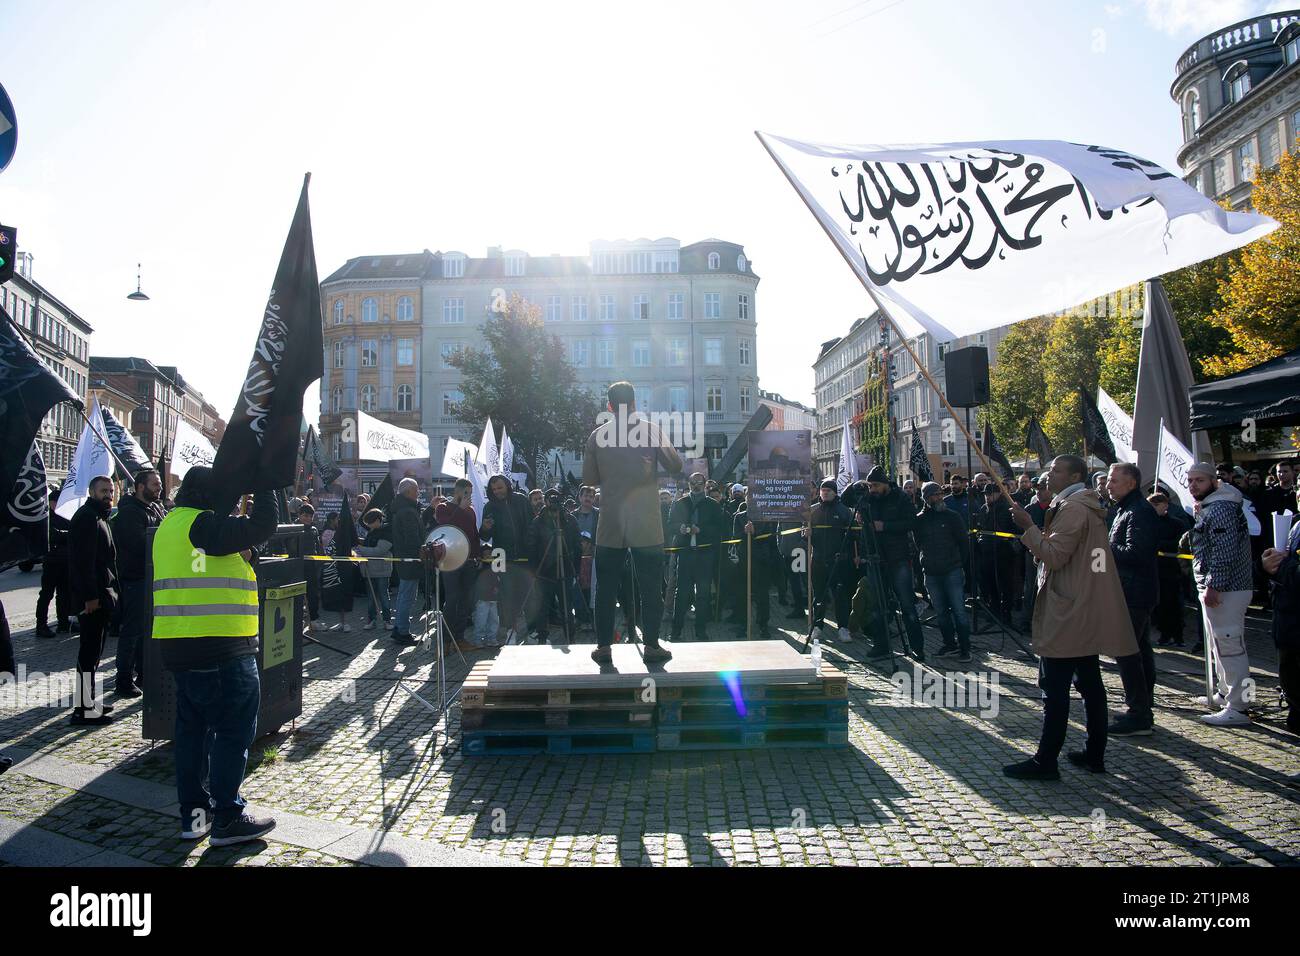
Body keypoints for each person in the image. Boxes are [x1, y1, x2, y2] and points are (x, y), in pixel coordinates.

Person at [152, 466, 278, 845]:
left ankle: (194, 818)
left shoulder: (172, 525)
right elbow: (264, 524)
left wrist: (244, 553)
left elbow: (208, 561)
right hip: (221, 646)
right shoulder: (203, 525)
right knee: (233, 730)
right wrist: (264, 479)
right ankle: (227, 816)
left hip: (179, 645)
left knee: (191, 733)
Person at [1004, 455, 1137, 780]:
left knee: (1055, 686)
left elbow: (1054, 556)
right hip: (1080, 604)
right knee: (1090, 683)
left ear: (1076, 474)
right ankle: (1094, 754)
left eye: (1057, 470)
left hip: (1068, 610)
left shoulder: (1074, 508)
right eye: (1049, 469)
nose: (1049, 475)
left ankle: (1045, 761)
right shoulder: (1080, 505)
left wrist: (1028, 528)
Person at [582, 380, 683, 663]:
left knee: (606, 588)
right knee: (651, 586)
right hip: (646, 521)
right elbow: (675, 465)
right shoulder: (650, 430)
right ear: (636, 403)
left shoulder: (597, 436)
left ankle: (603, 647)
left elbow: (589, 480)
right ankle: (651, 646)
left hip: (611, 523)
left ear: (609, 406)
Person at [1185, 462, 1255, 727]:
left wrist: (1214, 585)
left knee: (1231, 645)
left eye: (1199, 481)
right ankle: (1227, 694)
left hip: (1227, 588)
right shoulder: (1215, 505)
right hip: (1221, 586)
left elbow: (1225, 550)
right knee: (1222, 645)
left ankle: (1239, 705)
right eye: (1190, 480)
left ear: (1214, 481)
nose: (1193, 486)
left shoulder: (1223, 507)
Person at [1104, 462, 1160, 737]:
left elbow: (1137, 553)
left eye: (1114, 480)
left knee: (1127, 653)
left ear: (1132, 483)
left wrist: (1104, 546)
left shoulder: (1139, 512)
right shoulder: (1126, 509)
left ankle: (1139, 714)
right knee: (1138, 650)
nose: (1108, 485)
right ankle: (1142, 707)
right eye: (1109, 480)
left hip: (1135, 592)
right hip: (1131, 590)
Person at [109, 468, 167, 697]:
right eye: (155, 484)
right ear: (140, 487)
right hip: (135, 579)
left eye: (160, 484)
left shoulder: (154, 508)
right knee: (132, 631)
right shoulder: (129, 513)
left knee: (147, 631)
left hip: (152, 578)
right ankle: (123, 679)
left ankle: (144, 674)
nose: (159, 488)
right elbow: (142, 545)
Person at [68, 476, 119, 725]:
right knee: (88, 654)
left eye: (111, 490)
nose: (108, 494)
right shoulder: (87, 518)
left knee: (94, 653)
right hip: (93, 599)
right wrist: (90, 597)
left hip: (102, 596)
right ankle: (83, 709)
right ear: (92, 492)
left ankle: (88, 702)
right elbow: (83, 563)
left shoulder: (100, 517)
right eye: (103, 491)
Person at [913, 481, 971, 662]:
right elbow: (918, 545)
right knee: (941, 612)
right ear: (926, 498)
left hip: (952, 570)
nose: (938, 497)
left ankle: (964, 649)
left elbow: (964, 543)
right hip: (931, 572)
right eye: (933, 495)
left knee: (959, 611)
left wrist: (962, 565)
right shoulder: (919, 519)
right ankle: (949, 645)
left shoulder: (952, 517)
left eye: (939, 494)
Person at [668, 472, 725, 641]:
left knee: (703, 594)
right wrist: (683, 528)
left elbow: (720, 529)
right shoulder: (680, 503)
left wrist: (702, 530)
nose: (696, 485)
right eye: (693, 482)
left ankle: (701, 630)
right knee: (682, 594)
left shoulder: (713, 505)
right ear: (689, 484)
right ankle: (675, 631)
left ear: (705, 484)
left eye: (699, 482)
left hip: (705, 556)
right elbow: (670, 525)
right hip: (685, 554)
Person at [480, 474, 534, 643]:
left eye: (500, 488)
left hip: (525, 556)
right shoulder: (489, 506)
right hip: (501, 557)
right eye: (494, 489)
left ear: (508, 486)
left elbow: (532, 524)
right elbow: (484, 536)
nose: (497, 492)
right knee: (506, 596)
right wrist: (485, 528)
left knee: (528, 594)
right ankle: (510, 631)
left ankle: (532, 632)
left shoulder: (521, 500)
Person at [1262, 516, 1300, 736]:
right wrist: (1265, 565)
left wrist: (1283, 565)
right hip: (1286, 622)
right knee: (1290, 681)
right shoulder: (1294, 524)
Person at [527, 487, 580, 643]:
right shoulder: (538, 521)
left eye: (556, 498)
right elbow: (531, 547)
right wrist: (535, 570)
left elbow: (577, 546)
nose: (553, 501)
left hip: (566, 569)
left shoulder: (569, 520)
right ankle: (542, 638)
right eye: (550, 498)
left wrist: (575, 569)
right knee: (542, 607)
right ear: (546, 500)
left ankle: (571, 639)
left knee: (566, 607)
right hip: (544, 572)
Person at [808, 477, 854, 646]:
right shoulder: (812, 510)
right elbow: (805, 535)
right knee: (818, 595)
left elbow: (852, 536)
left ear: (835, 493)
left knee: (841, 596)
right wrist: (806, 535)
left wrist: (848, 555)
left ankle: (843, 627)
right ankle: (817, 626)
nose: (825, 493)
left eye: (828, 491)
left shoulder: (844, 511)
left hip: (839, 562)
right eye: (823, 490)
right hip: (818, 559)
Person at [435, 478, 481, 645]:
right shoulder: (443, 508)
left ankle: (459, 637)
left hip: (469, 560)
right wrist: (460, 509)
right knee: (452, 599)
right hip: (451, 560)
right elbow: (445, 527)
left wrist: (478, 555)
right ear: (457, 492)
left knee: (466, 601)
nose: (468, 496)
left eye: (470, 493)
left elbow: (474, 534)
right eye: (466, 492)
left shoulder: (471, 510)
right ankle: (446, 640)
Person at [733, 492, 780, 639]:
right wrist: (744, 533)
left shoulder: (766, 515)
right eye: (749, 497)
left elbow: (771, 536)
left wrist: (754, 533)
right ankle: (742, 624)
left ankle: (763, 624)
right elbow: (735, 537)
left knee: (762, 595)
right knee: (742, 594)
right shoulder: (739, 516)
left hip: (762, 560)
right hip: (744, 560)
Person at [35, 487, 76, 639]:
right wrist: (68, 534)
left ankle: (63, 623)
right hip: (52, 561)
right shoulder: (47, 517)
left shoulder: (65, 516)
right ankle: (41, 625)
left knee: (64, 594)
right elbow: (53, 535)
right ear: (52, 503)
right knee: (46, 594)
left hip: (65, 560)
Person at [388, 478, 424, 647]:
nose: (419, 492)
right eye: (417, 489)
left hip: (405, 559)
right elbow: (412, 538)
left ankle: (399, 627)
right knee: (408, 597)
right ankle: (402, 631)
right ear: (409, 492)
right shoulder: (408, 512)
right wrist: (421, 551)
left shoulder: (401, 509)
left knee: (404, 595)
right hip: (411, 559)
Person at [975, 482, 1017, 622]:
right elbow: (980, 528)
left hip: (1003, 552)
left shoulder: (1007, 508)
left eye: (990, 494)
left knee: (1005, 584)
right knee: (990, 583)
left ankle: (1006, 612)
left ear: (999, 493)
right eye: (986, 494)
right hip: (987, 551)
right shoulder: (983, 508)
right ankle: (994, 610)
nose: (987, 497)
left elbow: (1011, 529)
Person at [1149, 493, 1187, 647]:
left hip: (1172, 569)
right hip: (1154, 569)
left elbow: (1180, 542)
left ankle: (1178, 636)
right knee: (1159, 606)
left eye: (1157, 505)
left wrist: (1159, 544)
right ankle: (1164, 634)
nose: (1154, 508)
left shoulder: (1176, 523)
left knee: (1173, 604)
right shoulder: (1148, 523)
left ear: (1165, 505)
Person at [353, 508, 393, 630]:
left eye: (369, 523)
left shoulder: (386, 532)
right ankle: (372, 620)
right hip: (369, 570)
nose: (368, 526)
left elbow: (379, 551)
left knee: (383, 596)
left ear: (377, 520)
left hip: (382, 570)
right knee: (371, 597)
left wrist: (361, 549)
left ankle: (387, 620)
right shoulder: (372, 532)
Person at [296, 504, 324, 629]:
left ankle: (314, 620)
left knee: (313, 594)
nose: (308, 518)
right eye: (305, 515)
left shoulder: (314, 529)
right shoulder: (293, 528)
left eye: (310, 516)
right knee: (297, 594)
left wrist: (319, 560)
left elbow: (318, 546)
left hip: (311, 566)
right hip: (296, 566)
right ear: (299, 515)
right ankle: (298, 620)